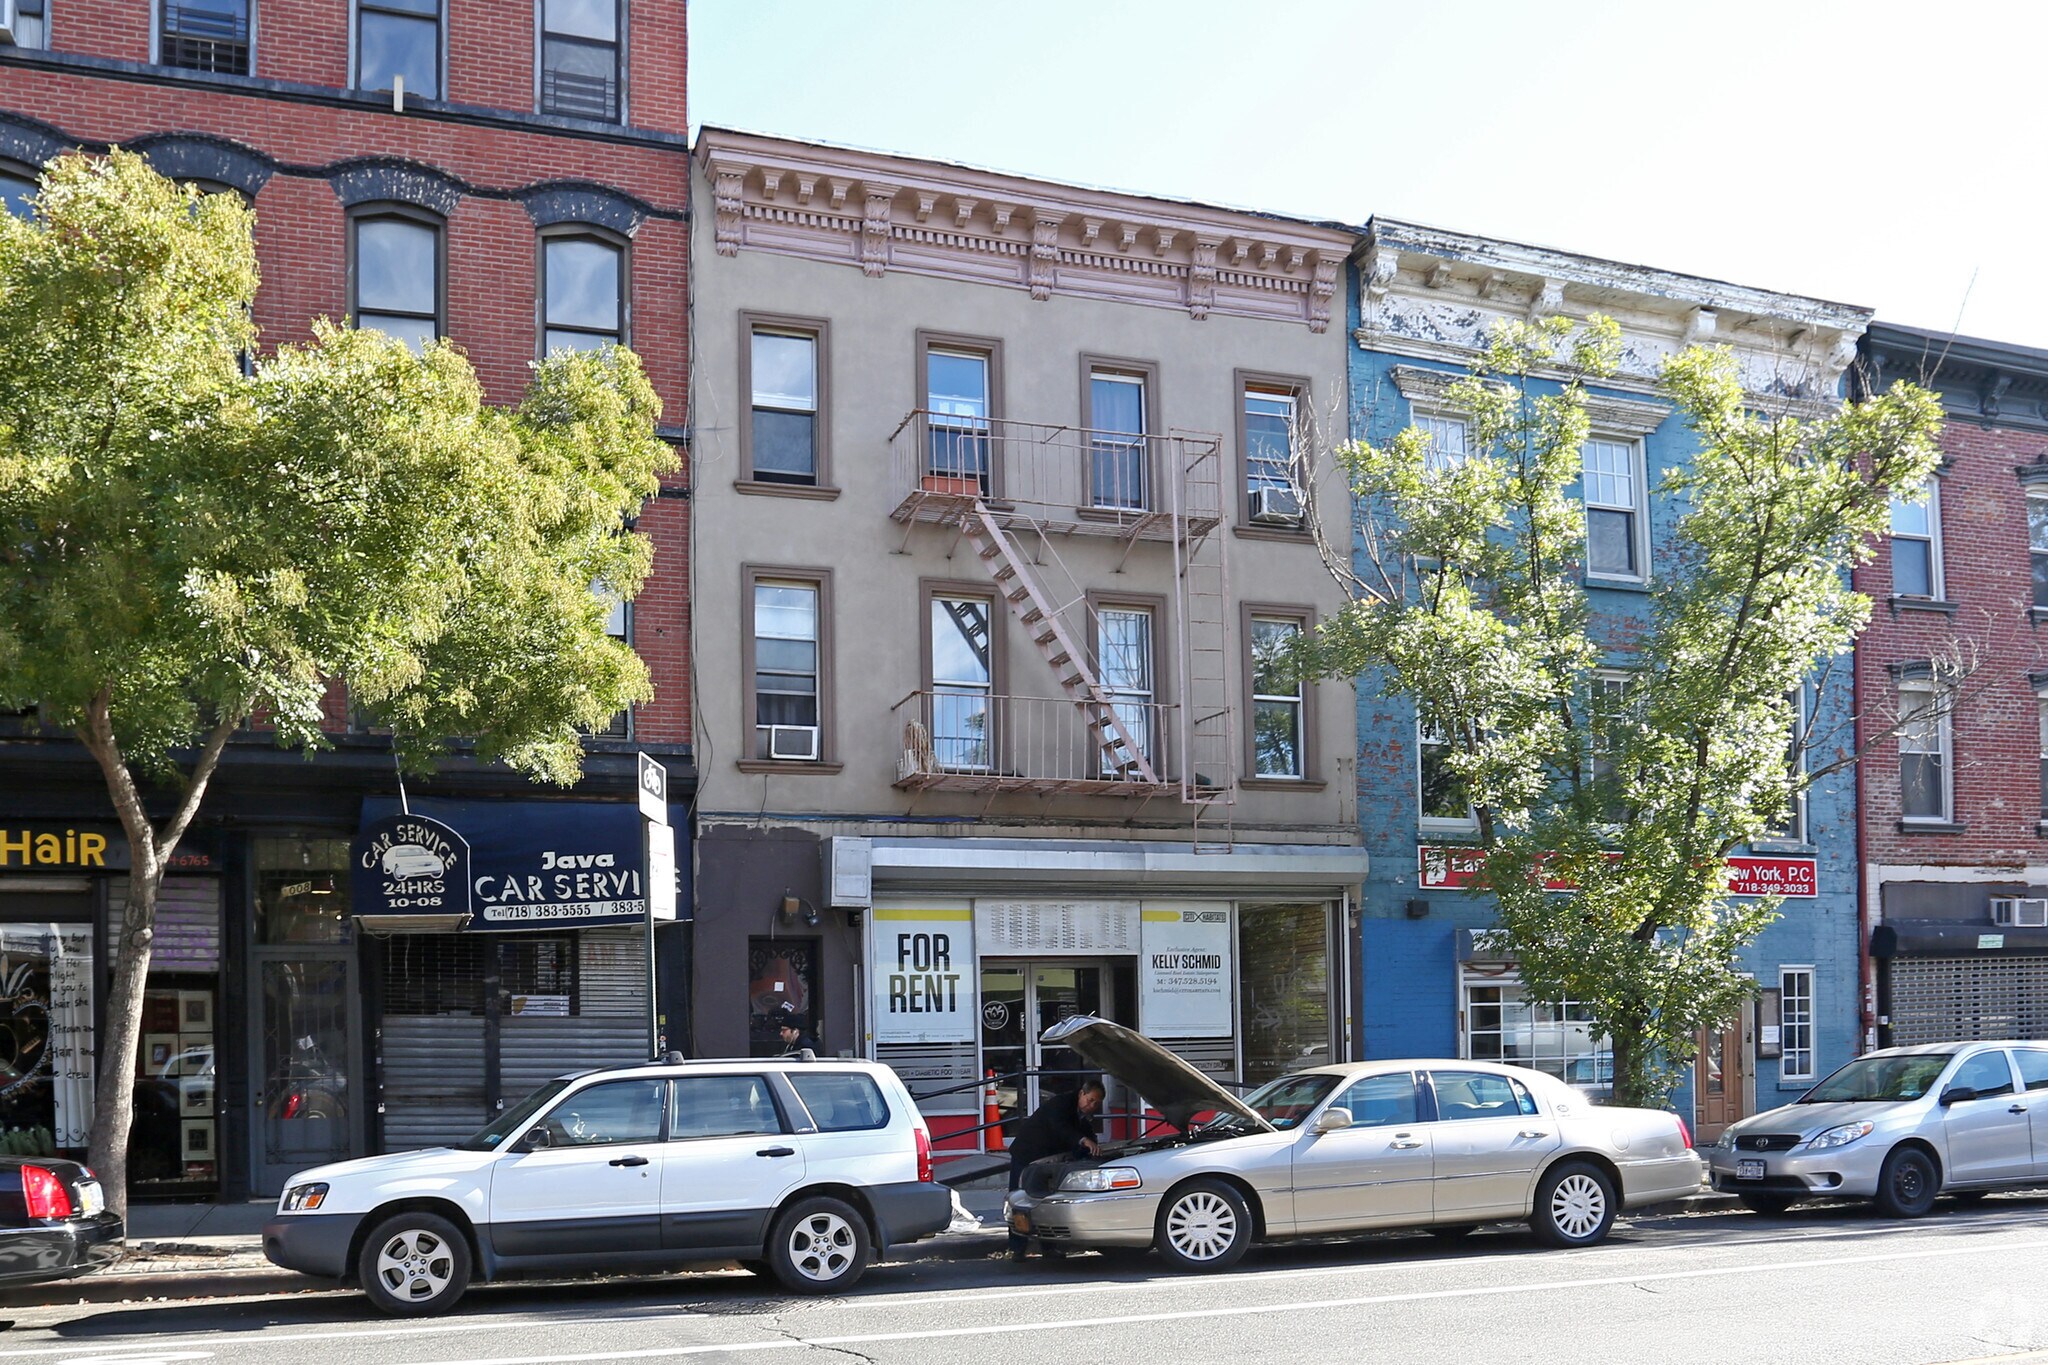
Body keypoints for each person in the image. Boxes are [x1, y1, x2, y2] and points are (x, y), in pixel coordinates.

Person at [1005, 1078, 1104, 1259]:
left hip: (1049, 1160)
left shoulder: (1081, 1111)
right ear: (1082, 1093)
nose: (1092, 1106)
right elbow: (1061, 1128)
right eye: (1090, 1100)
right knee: (1020, 1200)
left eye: (1096, 1103)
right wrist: (1083, 1141)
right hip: (1028, 1154)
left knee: (1046, 1200)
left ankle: (1048, 1247)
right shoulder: (1061, 1103)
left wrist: (1094, 1145)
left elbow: (1085, 1129)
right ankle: (1017, 1248)